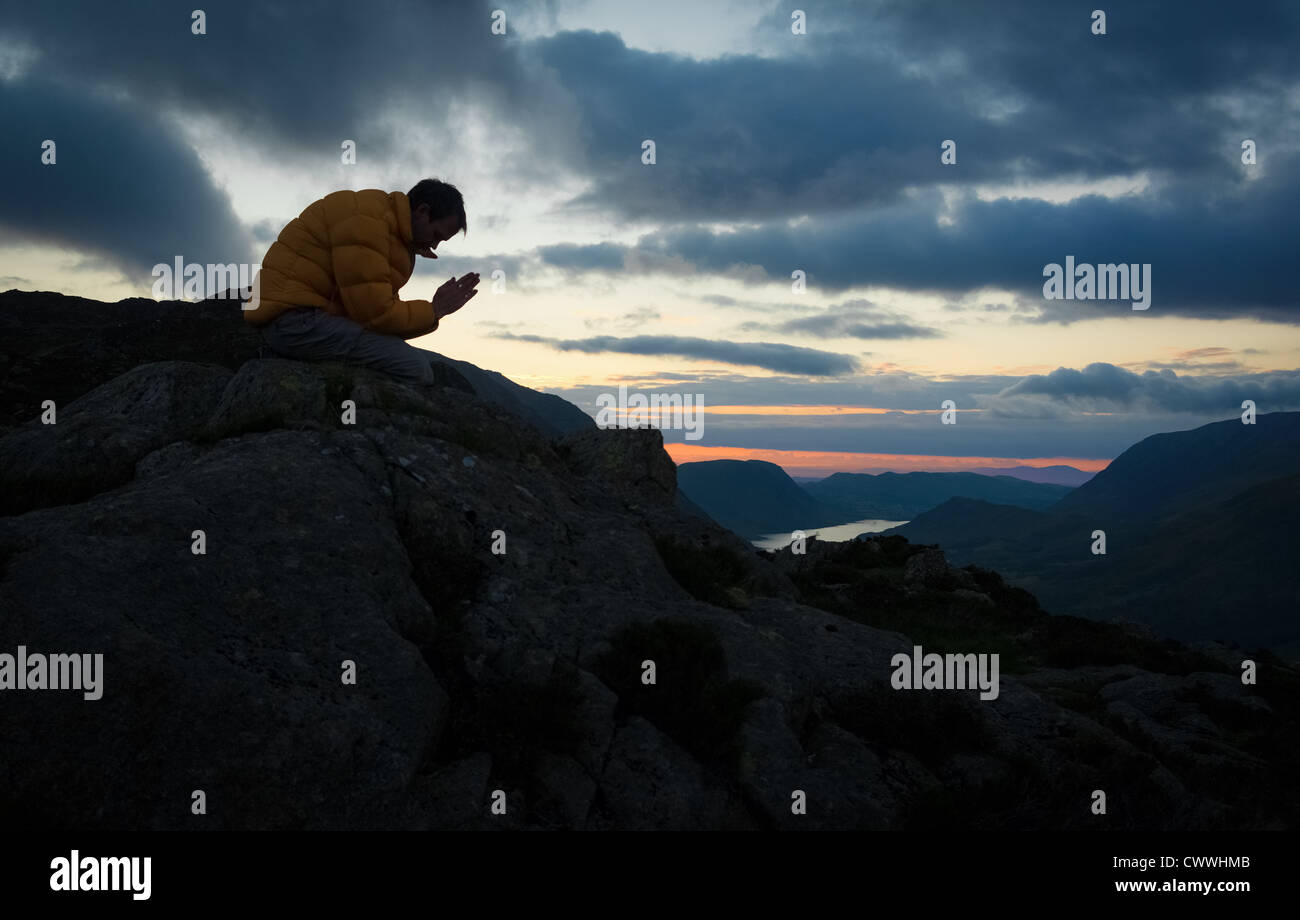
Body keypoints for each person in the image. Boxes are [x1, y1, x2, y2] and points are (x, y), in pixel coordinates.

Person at [242, 178, 479, 386]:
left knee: (396, 355)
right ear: (422, 211)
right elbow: (376, 314)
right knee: (415, 369)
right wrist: (434, 310)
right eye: (436, 235)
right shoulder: (367, 224)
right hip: (293, 321)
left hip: (305, 315)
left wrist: (432, 312)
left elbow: (376, 308)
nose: (435, 246)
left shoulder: (391, 231)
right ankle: (343, 405)